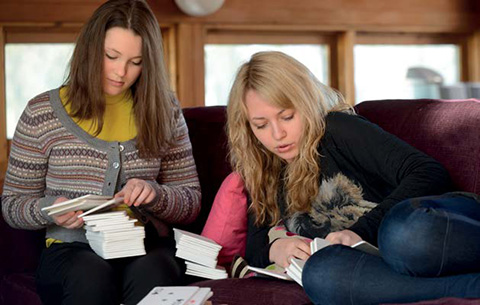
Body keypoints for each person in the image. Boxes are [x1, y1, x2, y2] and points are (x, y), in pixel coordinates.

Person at [226, 51, 480, 303]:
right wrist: (275, 249)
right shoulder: (262, 169)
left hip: (436, 227)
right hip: (382, 258)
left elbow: (429, 173)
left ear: (306, 103)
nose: (277, 134)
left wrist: (359, 232)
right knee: (321, 275)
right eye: (261, 125)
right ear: (248, 127)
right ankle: (468, 287)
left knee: (403, 236)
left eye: (287, 116)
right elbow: (254, 248)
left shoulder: (336, 129)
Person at [1, 1, 201, 305]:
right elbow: (12, 205)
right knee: (91, 275)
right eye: (111, 56)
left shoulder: (165, 111)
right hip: (70, 253)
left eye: (136, 62)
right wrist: (49, 208)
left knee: (155, 271)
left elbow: (190, 201)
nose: (121, 72)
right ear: (91, 49)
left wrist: (154, 194)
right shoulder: (42, 113)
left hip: (145, 247)